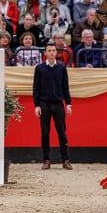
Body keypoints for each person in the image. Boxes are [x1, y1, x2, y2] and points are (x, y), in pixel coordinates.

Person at [33, 41, 72, 170]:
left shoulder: (61, 68)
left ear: (56, 52)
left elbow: (65, 87)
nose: (51, 53)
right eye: (49, 50)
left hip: (58, 104)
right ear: (45, 53)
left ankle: (65, 160)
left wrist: (68, 104)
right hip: (44, 104)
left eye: (53, 50)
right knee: (45, 133)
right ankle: (46, 160)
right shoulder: (39, 68)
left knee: (62, 133)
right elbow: (36, 88)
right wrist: (37, 105)